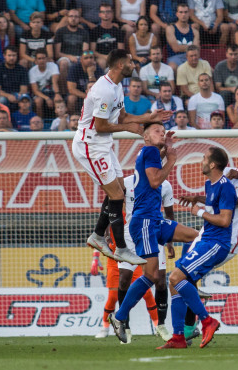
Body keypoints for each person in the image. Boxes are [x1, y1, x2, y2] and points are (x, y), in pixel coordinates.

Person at [73, 49, 173, 266]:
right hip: (89, 145)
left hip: (102, 144)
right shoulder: (104, 90)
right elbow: (100, 126)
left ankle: (98, 235)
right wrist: (133, 129)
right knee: (117, 196)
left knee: (120, 190)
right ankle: (120, 248)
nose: (133, 64)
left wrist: (148, 118)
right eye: (129, 61)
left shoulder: (116, 86)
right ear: (119, 65)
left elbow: (123, 117)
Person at [107, 123, 199, 344]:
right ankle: (119, 317)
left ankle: (188, 276)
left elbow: (155, 176)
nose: (162, 132)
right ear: (146, 136)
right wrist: (172, 159)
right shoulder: (148, 151)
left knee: (196, 237)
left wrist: (165, 149)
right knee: (151, 276)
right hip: (145, 221)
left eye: (162, 130)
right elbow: (156, 180)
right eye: (157, 130)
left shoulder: (150, 152)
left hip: (156, 220)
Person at [155, 146, 235, 349]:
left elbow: (225, 220)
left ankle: (208, 321)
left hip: (216, 243)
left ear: (213, 164)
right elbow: (213, 205)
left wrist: (199, 212)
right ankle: (179, 337)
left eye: (204, 158)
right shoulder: (210, 184)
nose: (201, 160)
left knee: (174, 278)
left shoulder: (226, 187)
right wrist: (198, 200)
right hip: (205, 239)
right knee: (175, 283)